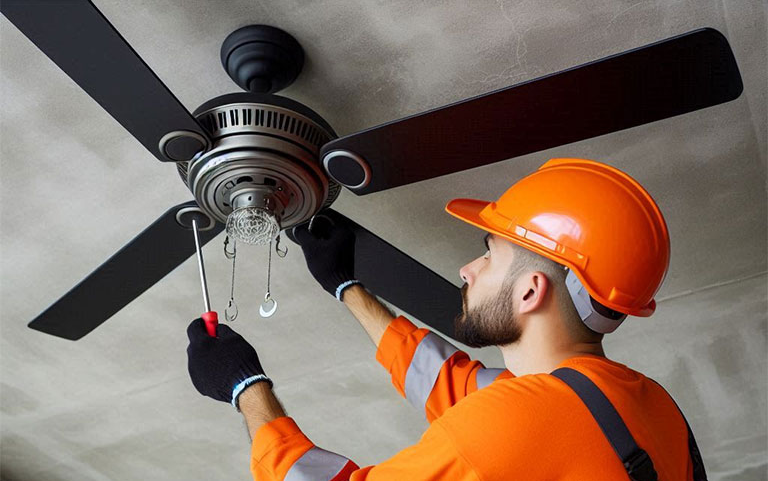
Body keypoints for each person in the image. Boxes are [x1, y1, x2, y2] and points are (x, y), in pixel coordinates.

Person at [186, 158, 706, 480]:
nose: (467, 269)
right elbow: (453, 385)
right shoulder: (644, 403)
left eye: (489, 254)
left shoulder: (518, 420)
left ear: (530, 290)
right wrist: (347, 288)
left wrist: (246, 389)